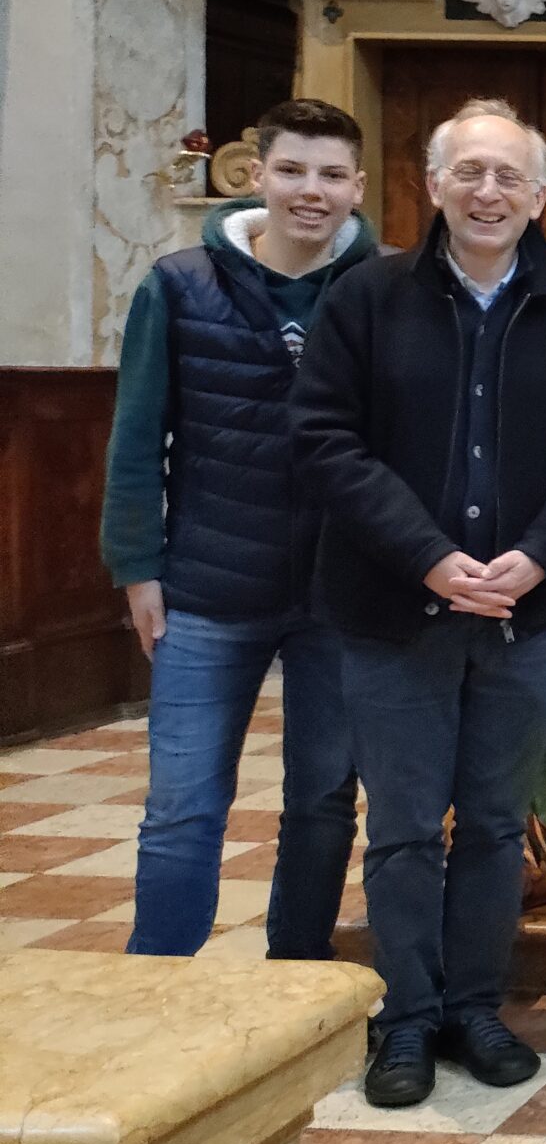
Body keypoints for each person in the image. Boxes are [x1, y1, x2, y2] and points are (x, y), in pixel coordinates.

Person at [293, 98, 546, 1107]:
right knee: (405, 827)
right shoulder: (366, 297)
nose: (490, 193)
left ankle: (476, 1006)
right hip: (395, 609)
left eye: (510, 177)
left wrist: (536, 557)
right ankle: (406, 1017)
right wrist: (429, 557)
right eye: (470, 173)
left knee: (493, 824)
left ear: (541, 196)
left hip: (525, 618)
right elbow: (324, 439)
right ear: (434, 184)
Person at [101, 98, 376, 963]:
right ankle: (162, 983)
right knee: (183, 803)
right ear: (257, 176)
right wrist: (137, 567)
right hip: (208, 587)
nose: (311, 190)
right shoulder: (180, 284)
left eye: (331, 175)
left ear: (358, 187)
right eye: (292, 170)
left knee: (323, 800)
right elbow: (136, 436)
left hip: (339, 593)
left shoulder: (383, 289)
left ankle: (295, 974)